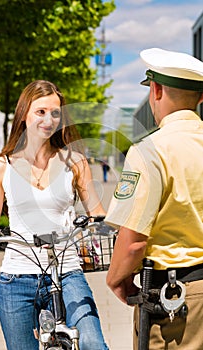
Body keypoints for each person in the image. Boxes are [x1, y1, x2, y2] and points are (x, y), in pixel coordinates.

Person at [0, 80, 109, 350]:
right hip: (16, 278)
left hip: (67, 272)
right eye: (41, 112)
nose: (49, 119)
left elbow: (97, 213)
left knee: (94, 344)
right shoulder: (1, 166)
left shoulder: (75, 162)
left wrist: (97, 225)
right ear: (24, 114)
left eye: (55, 113)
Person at [105, 48, 203, 349]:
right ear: (199, 98)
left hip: (175, 300)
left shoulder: (149, 151)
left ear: (156, 90)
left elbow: (133, 240)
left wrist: (116, 279)